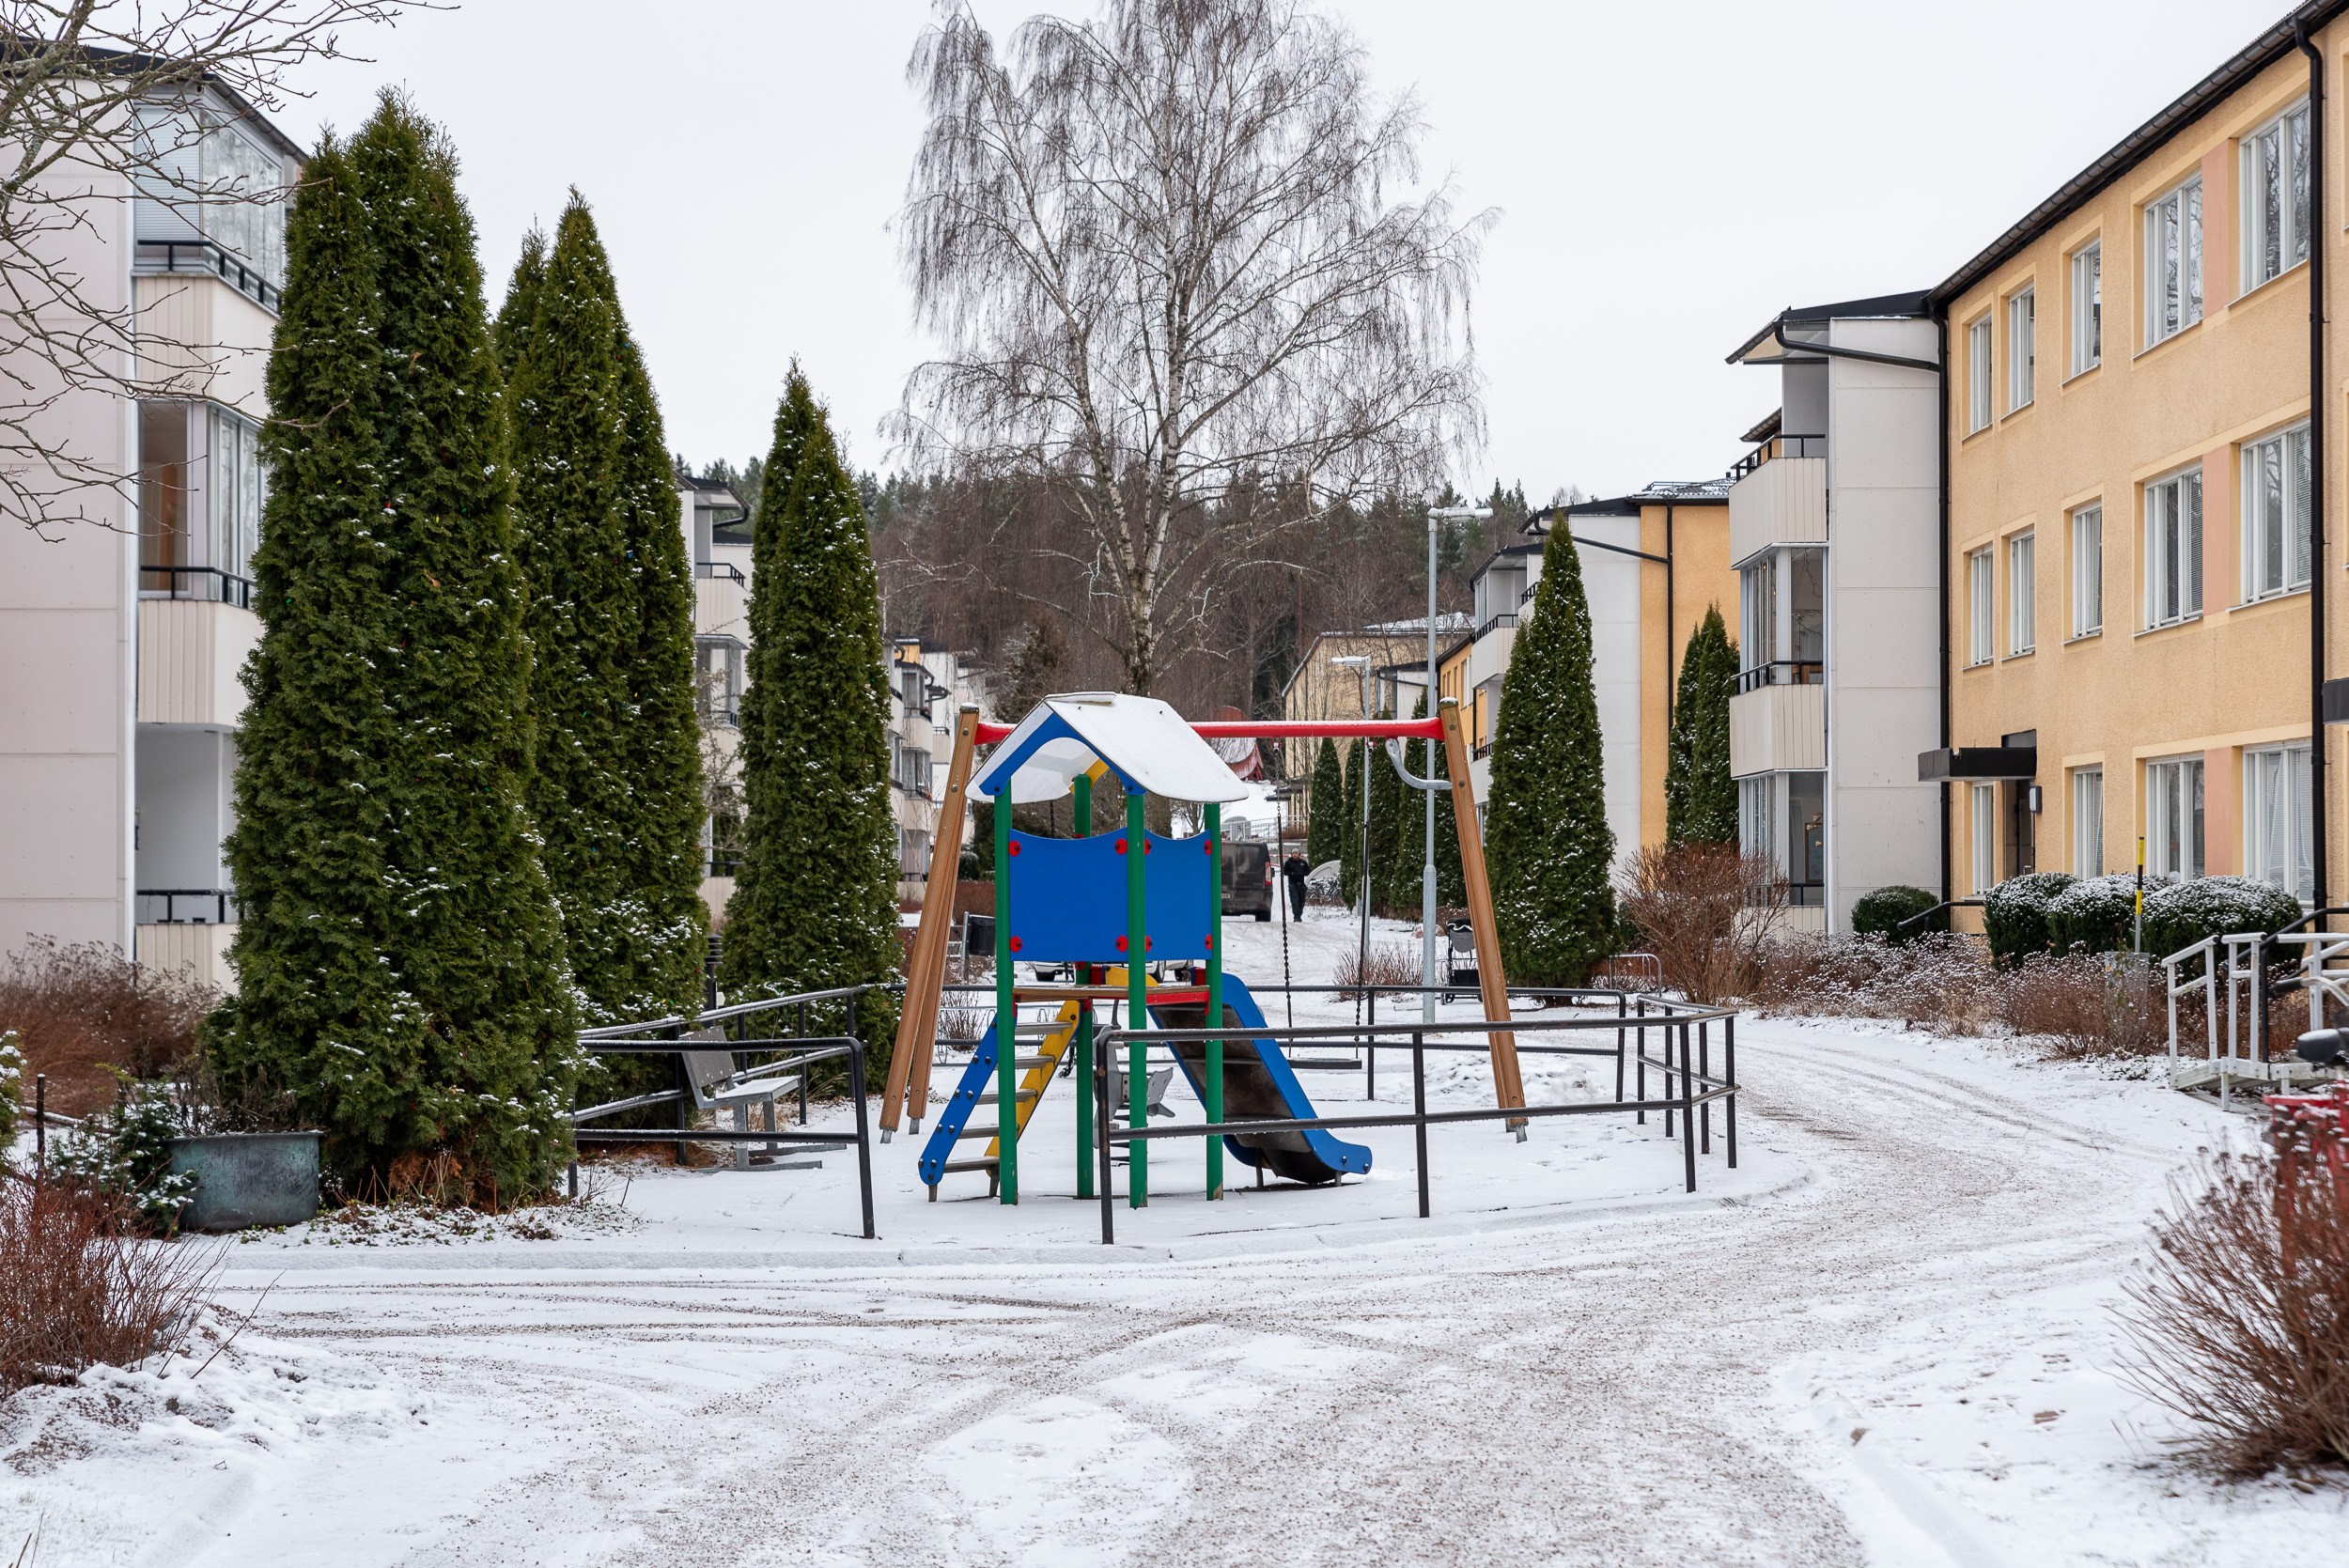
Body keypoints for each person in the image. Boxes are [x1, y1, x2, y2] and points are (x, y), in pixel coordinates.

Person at [1282, 850, 1309, 920]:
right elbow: (1285, 872)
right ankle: (1296, 916)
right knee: (1295, 901)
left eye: (1296, 853)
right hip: (1293, 884)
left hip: (1301, 884)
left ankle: (1299, 913)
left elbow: (1308, 871)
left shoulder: (1303, 862)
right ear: (1291, 854)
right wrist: (1292, 874)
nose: (1295, 855)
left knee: (1302, 901)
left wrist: (1301, 874)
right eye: (1293, 853)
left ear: (1299, 854)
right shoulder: (1288, 863)